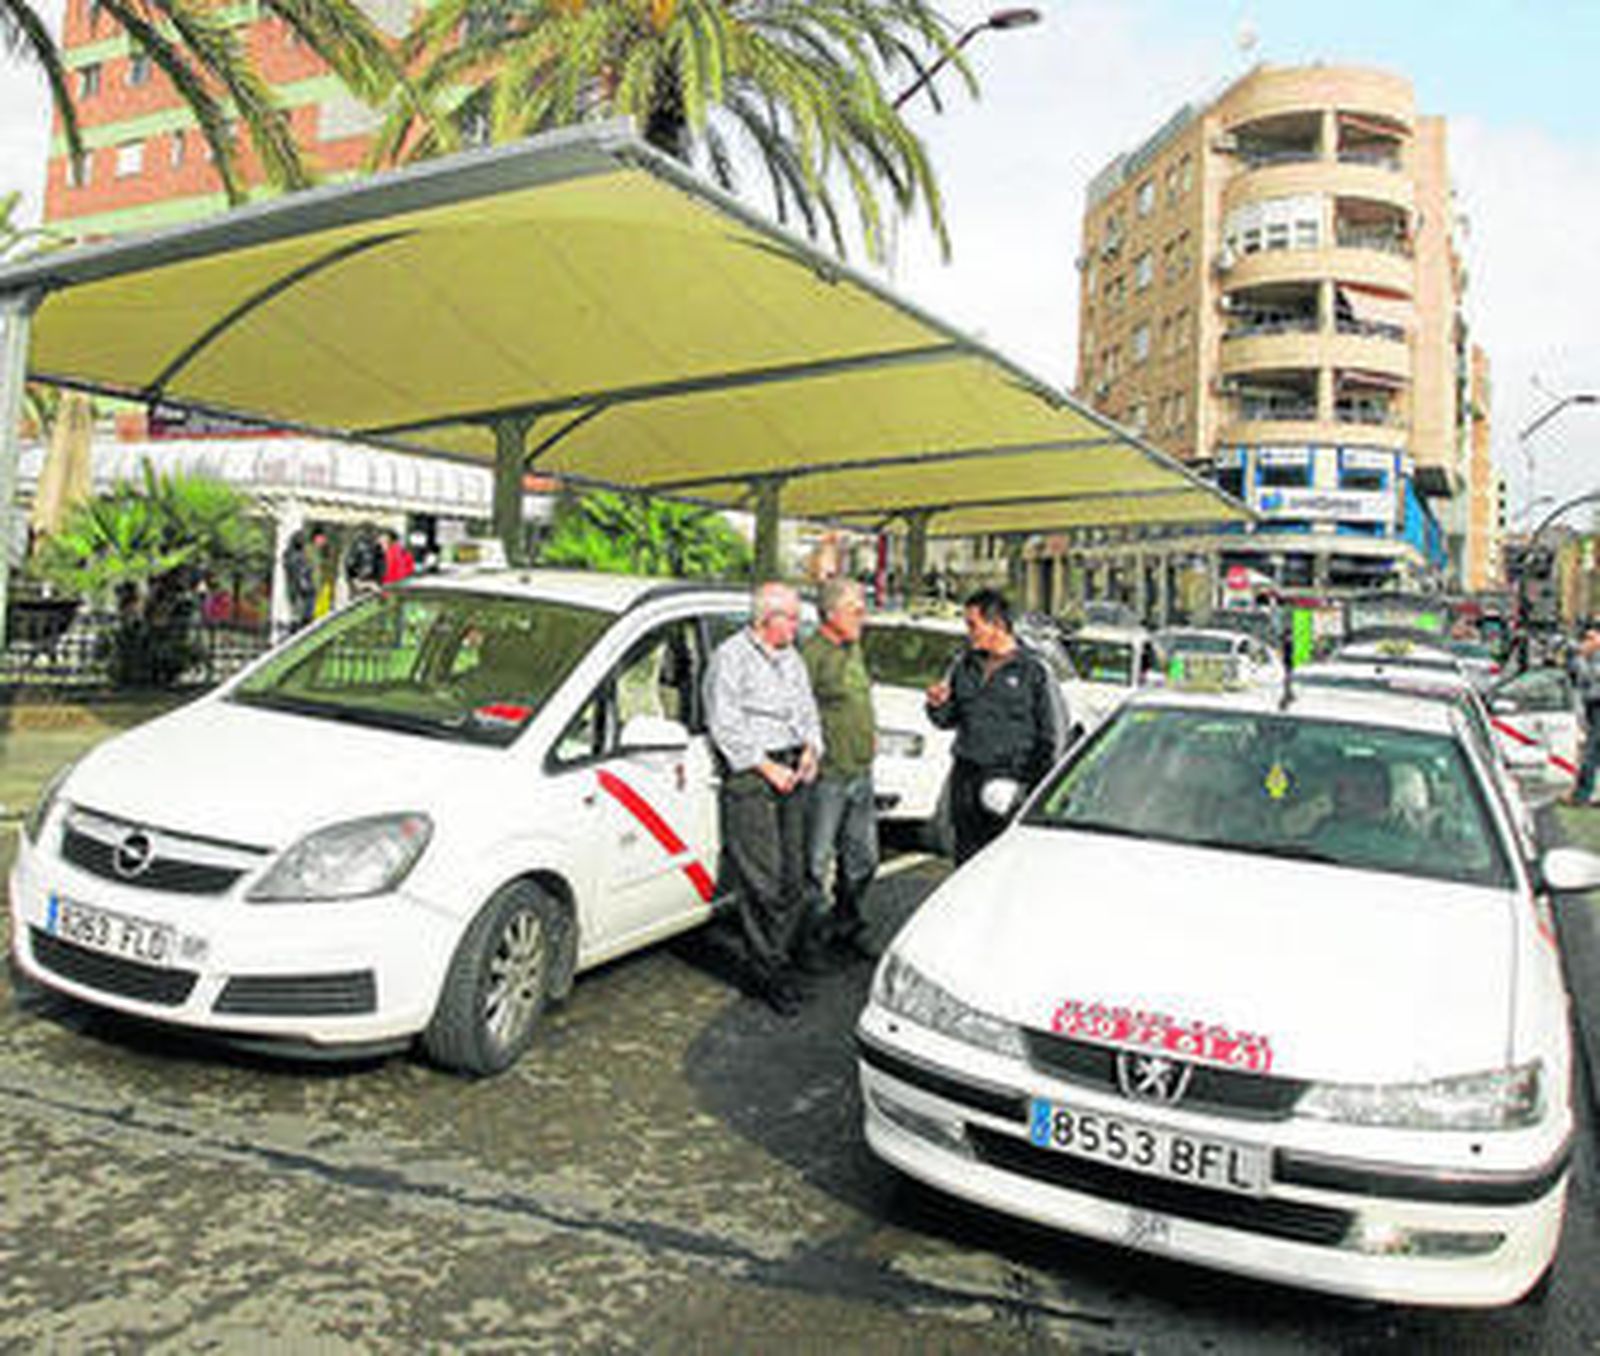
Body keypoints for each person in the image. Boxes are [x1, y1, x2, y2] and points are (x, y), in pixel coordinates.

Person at [705, 581, 824, 1016]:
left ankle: (778, 961)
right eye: (789, 617)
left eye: (796, 617)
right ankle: (768, 971)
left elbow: (808, 710)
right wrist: (764, 765)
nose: (795, 625)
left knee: (794, 878)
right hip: (755, 775)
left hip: (793, 768)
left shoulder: (791, 659)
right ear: (764, 619)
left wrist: (812, 748)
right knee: (764, 880)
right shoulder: (731, 658)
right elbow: (725, 722)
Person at [926, 587, 1067, 864]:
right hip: (966, 779)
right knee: (966, 860)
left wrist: (1034, 788)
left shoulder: (1034, 671)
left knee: (1001, 861)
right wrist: (937, 704)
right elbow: (947, 719)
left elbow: (1053, 734)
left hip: (1009, 782)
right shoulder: (963, 665)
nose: (968, 632)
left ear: (997, 625)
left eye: (973, 625)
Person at [800, 577, 879, 966]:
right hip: (827, 777)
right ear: (831, 615)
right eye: (856, 610)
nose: (863, 617)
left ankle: (848, 924)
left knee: (863, 859)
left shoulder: (854, 648)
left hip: (861, 771)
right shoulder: (811, 655)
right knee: (815, 866)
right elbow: (798, 714)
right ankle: (808, 941)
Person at [1567, 627, 1600, 805]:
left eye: (1591, 638)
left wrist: (1581, 658)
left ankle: (1582, 794)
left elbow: (1589, 676)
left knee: (1592, 751)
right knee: (1592, 750)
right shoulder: (1589, 658)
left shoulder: (1593, 659)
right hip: (1592, 705)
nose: (1586, 643)